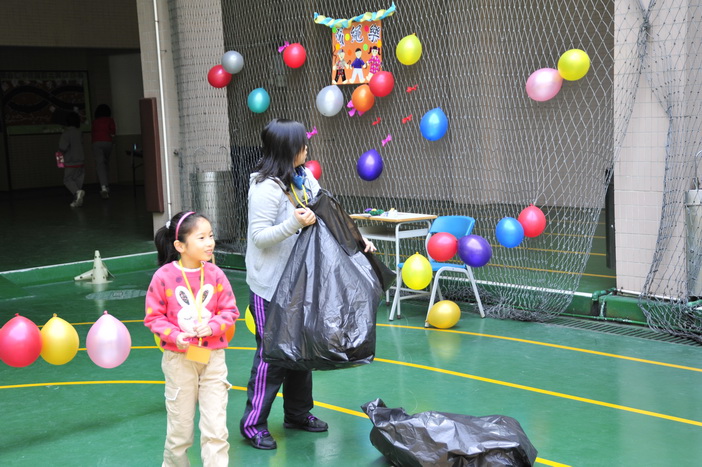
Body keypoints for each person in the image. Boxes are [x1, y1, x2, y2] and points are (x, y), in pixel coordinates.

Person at [240, 118, 375, 450]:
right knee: (272, 355)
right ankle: (253, 424)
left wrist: (358, 241)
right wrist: (292, 223)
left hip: (301, 283)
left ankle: (297, 414)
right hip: (271, 287)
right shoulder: (265, 188)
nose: (306, 147)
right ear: (288, 149)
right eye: (302, 143)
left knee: (301, 349)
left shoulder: (304, 178)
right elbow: (259, 237)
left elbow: (329, 214)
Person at [144, 210, 239, 466]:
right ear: (180, 246)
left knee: (216, 429)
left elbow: (230, 311)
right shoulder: (163, 277)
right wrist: (175, 336)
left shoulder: (215, 274)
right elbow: (153, 317)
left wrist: (214, 326)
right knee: (180, 431)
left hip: (213, 358)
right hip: (179, 360)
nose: (210, 243)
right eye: (201, 237)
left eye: (211, 236)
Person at [58, 112, 86, 207]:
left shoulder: (66, 133)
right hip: (80, 161)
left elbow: (62, 147)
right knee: (78, 180)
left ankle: (77, 193)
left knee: (67, 180)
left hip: (70, 161)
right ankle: (77, 199)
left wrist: (60, 158)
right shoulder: (79, 132)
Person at [91, 104, 116, 199]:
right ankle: (106, 185)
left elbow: (93, 132)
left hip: (96, 143)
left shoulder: (95, 122)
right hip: (108, 142)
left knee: (100, 164)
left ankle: (104, 187)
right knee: (106, 163)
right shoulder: (110, 120)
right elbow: (113, 132)